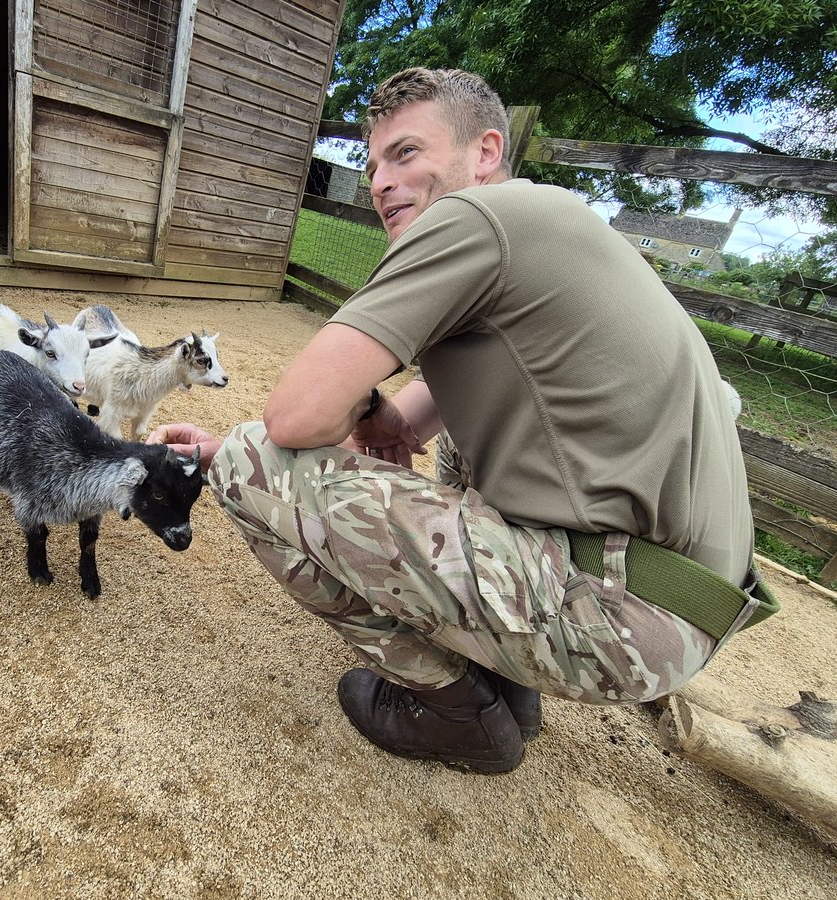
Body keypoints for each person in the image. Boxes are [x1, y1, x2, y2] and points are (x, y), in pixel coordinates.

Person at [148, 67, 767, 774]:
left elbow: (295, 420)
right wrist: (376, 421)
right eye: (373, 162)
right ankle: (508, 678)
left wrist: (236, 459)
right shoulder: (550, 229)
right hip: (679, 600)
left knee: (255, 456)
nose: (380, 181)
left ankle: (454, 710)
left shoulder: (476, 219)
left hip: (618, 617)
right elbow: (402, 428)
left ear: (485, 152)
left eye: (406, 154)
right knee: (456, 455)